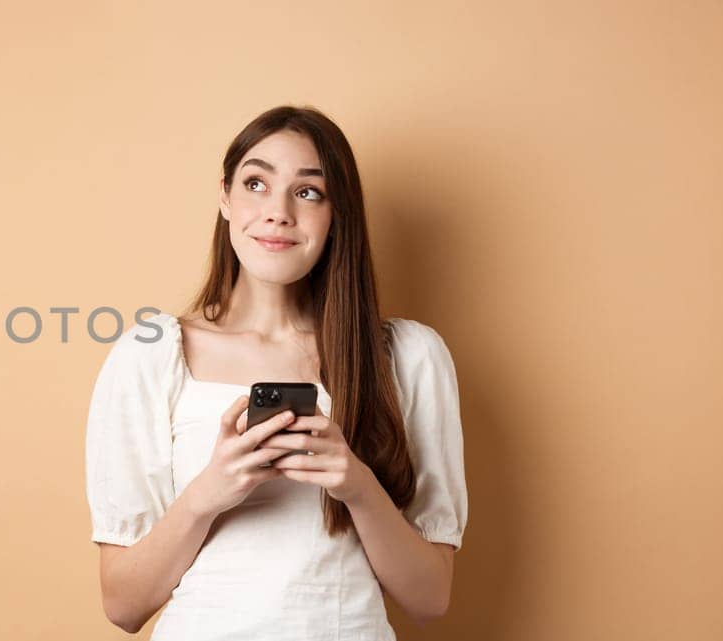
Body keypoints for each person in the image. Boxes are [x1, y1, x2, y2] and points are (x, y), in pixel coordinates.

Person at [84, 105, 468, 639]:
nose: (279, 212)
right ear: (224, 197)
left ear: (338, 214)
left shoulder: (407, 357)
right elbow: (124, 605)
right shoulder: (149, 355)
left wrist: (356, 485)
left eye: (308, 191)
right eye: (257, 183)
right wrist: (210, 492)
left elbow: (429, 599)